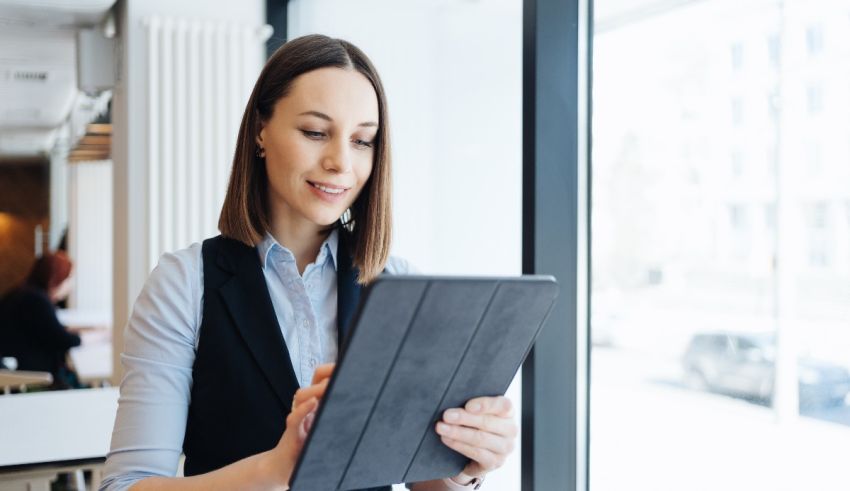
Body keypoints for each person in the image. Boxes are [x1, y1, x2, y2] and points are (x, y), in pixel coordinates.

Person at [101, 34, 516, 491]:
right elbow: (125, 486)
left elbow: (420, 481)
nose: (341, 161)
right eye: (316, 132)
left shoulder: (397, 285)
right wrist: (276, 469)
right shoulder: (183, 284)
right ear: (261, 129)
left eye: (363, 140)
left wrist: (463, 465)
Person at [0, 252, 83, 389]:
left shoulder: (28, 293)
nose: (70, 286)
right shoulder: (36, 300)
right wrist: (98, 336)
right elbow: (63, 339)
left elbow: (54, 330)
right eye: (68, 279)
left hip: (22, 368)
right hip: (30, 376)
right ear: (55, 278)